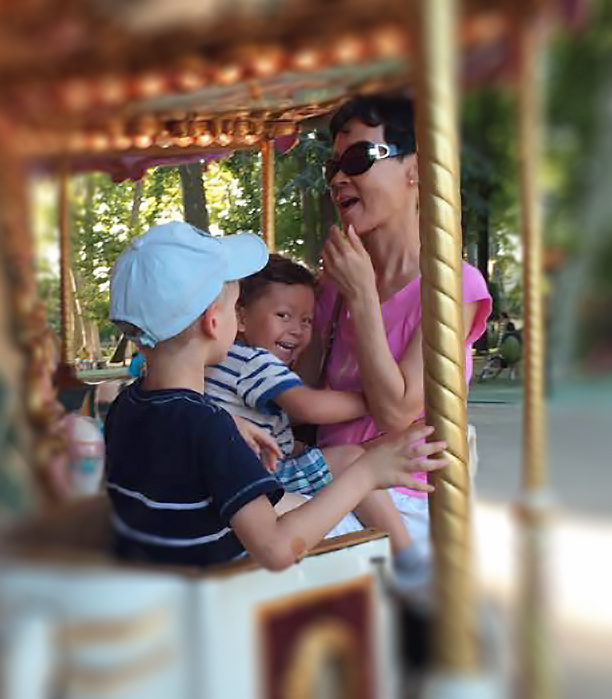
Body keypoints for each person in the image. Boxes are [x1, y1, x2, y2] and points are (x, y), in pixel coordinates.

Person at [105, 221, 448, 569]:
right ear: (213, 321)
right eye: (234, 306)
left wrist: (230, 422)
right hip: (220, 585)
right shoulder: (211, 428)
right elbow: (275, 550)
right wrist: (367, 473)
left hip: (156, 573)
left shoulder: (126, 405)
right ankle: (412, 571)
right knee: (349, 534)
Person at [299, 94, 492, 560]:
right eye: (333, 167)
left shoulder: (452, 286)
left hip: (402, 499)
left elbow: (396, 414)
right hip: (328, 481)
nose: (339, 178)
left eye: (358, 159)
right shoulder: (332, 286)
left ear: (416, 169)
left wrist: (363, 297)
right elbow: (301, 396)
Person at [205, 254, 432, 588]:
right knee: (352, 459)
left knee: (333, 455)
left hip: (245, 469)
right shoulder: (252, 361)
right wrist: (378, 401)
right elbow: (308, 406)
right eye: (283, 315)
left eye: (307, 320)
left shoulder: (225, 360)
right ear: (241, 318)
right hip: (259, 476)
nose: (296, 330)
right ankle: (406, 554)